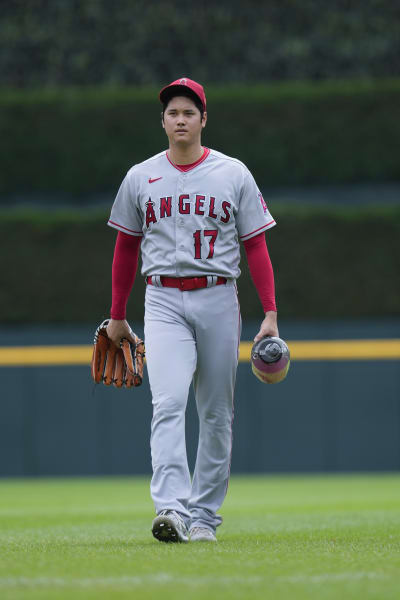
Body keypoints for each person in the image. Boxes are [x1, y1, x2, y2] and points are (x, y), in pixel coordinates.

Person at [106, 77, 278, 543]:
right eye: (172, 113)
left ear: (204, 119)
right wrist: (118, 314)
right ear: (162, 122)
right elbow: (126, 247)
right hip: (161, 298)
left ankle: (204, 516)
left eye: (188, 112)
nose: (180, 119)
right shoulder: (140, 176)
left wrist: (271, 313)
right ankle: (171, 508)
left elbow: (255, 244)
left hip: (219, 295)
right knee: (168, 402)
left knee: (217, 412)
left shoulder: (232, 173)